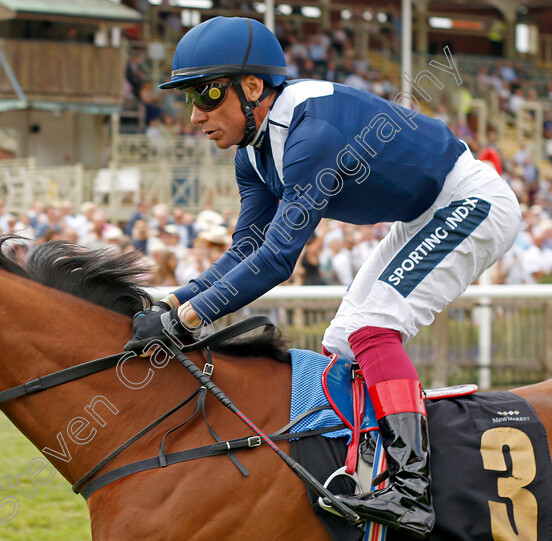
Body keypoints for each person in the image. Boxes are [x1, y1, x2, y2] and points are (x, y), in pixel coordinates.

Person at [124, 17, 522, 537]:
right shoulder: (254, 152)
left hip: (472, 201)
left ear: (251, 88)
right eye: (188, 98)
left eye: (206, 93)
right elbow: (245, 248)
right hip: (425, 213)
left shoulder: (311, 135)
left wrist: (188, 317)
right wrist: (173, 302)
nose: (195, 114)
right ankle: (367, 464)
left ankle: (413, 487)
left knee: (373, 326)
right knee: (343, 340)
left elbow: (277, 260)